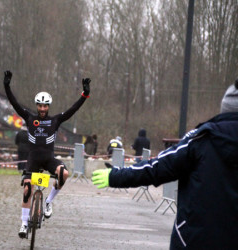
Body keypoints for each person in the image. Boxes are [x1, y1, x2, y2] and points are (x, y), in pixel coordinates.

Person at [92, 80, 238, 249]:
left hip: (195, 240)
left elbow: (156, 167)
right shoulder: (199, 140)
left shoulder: (200, 140)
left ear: (225, 107)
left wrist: (115, 176)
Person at [3, 70, 91, 238]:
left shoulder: (55, 120)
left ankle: (49, 202)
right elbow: (14, 103)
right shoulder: (29, 118)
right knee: (28, 187)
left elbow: (73, 109)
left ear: (48, 106)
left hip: (49, 160)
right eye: (40, 106)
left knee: (63, 174)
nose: (42, 109)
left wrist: (84, 94)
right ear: (37, 106)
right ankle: (23, 224)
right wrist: (7, 86)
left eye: (45, 106)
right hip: (33, 161)